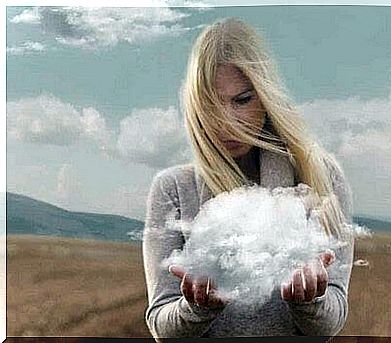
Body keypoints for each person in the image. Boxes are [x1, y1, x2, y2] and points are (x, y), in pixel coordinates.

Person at [142, 17, 355, 340]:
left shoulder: (321, 177)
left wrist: (311, 300)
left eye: (242, 100)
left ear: (266, 96)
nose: (227, 121)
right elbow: (161, 325)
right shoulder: (173, 189)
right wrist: (197, 307)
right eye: (211, 104)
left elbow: (332, 320)